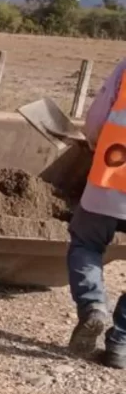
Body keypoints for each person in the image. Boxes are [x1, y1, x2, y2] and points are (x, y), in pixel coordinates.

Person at [65, 57, 126, 368]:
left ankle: (93, 307)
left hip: (113, 175)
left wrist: (92, 141)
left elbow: (98, 119)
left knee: (85, 243)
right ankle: (121, 343)